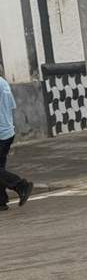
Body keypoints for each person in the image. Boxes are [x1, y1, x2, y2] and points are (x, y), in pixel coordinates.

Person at [0, 73, 33, 212]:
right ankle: (1, 201)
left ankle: (20, 185)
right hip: (7, 130)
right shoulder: (3, 82)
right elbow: (11, 106)